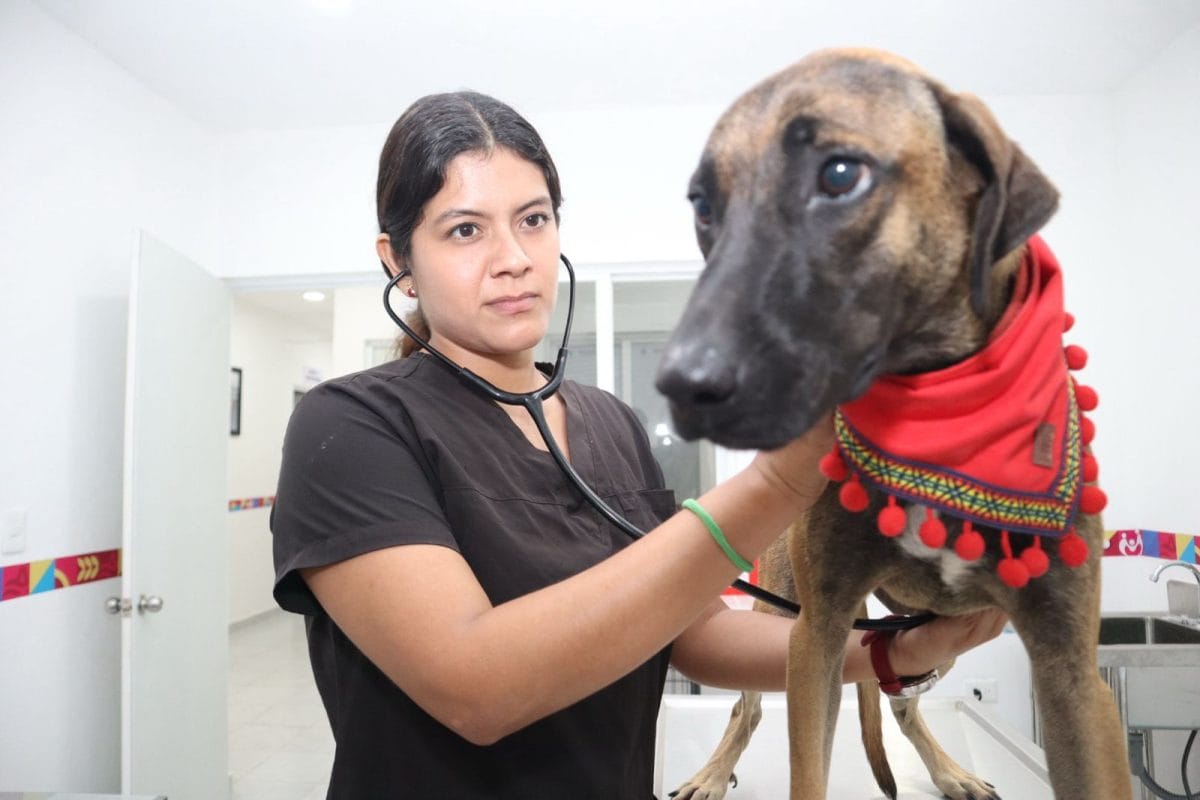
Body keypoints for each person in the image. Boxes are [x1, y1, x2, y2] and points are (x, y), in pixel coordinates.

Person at [270, 90, 1007, 799]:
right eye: (466, 230)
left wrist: (893, 653)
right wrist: (780, 482)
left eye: (533, 219)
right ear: (397, 261)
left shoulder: (611, 424)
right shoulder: (350, 427)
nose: (514, 257)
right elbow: (475, 688)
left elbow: (695, 636)